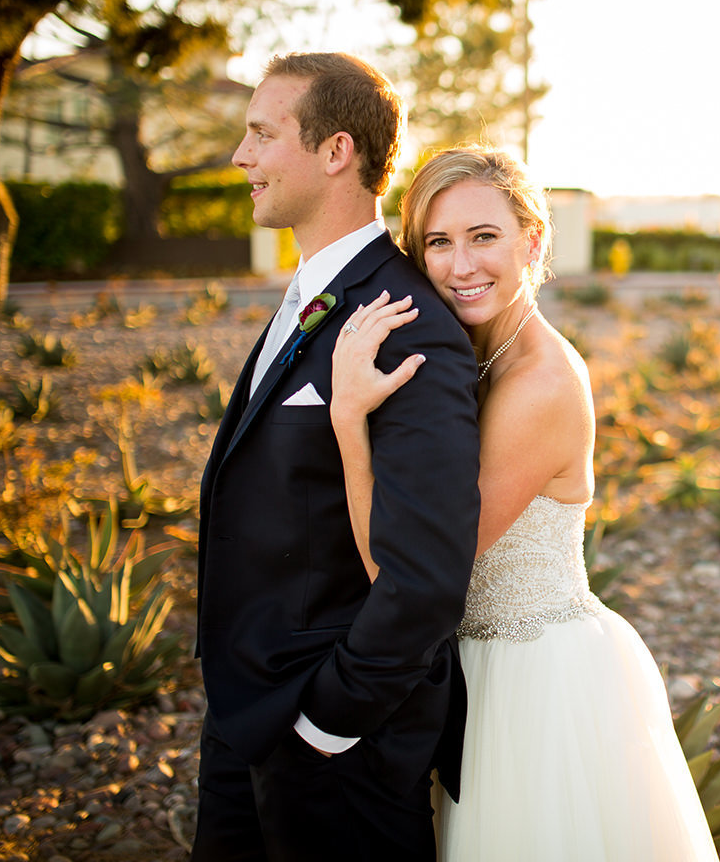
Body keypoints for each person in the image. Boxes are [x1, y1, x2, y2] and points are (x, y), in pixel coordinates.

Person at [330, 147, 718, 861]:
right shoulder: (475, 357)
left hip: (535, 682)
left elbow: (405, 574)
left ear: (532, 240)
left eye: (485, 237)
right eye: (439, 243)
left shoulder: (538, 384)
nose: (461, 265)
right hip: (475, 671)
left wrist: (349, 421)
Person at [193, 53, 481, 862]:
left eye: (261, 134)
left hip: (330, 745)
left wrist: (328, 721)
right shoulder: (318, 292)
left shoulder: (407, 323)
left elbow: (424, 574)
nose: (240, 156)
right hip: (250, 711)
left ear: (335, 152)